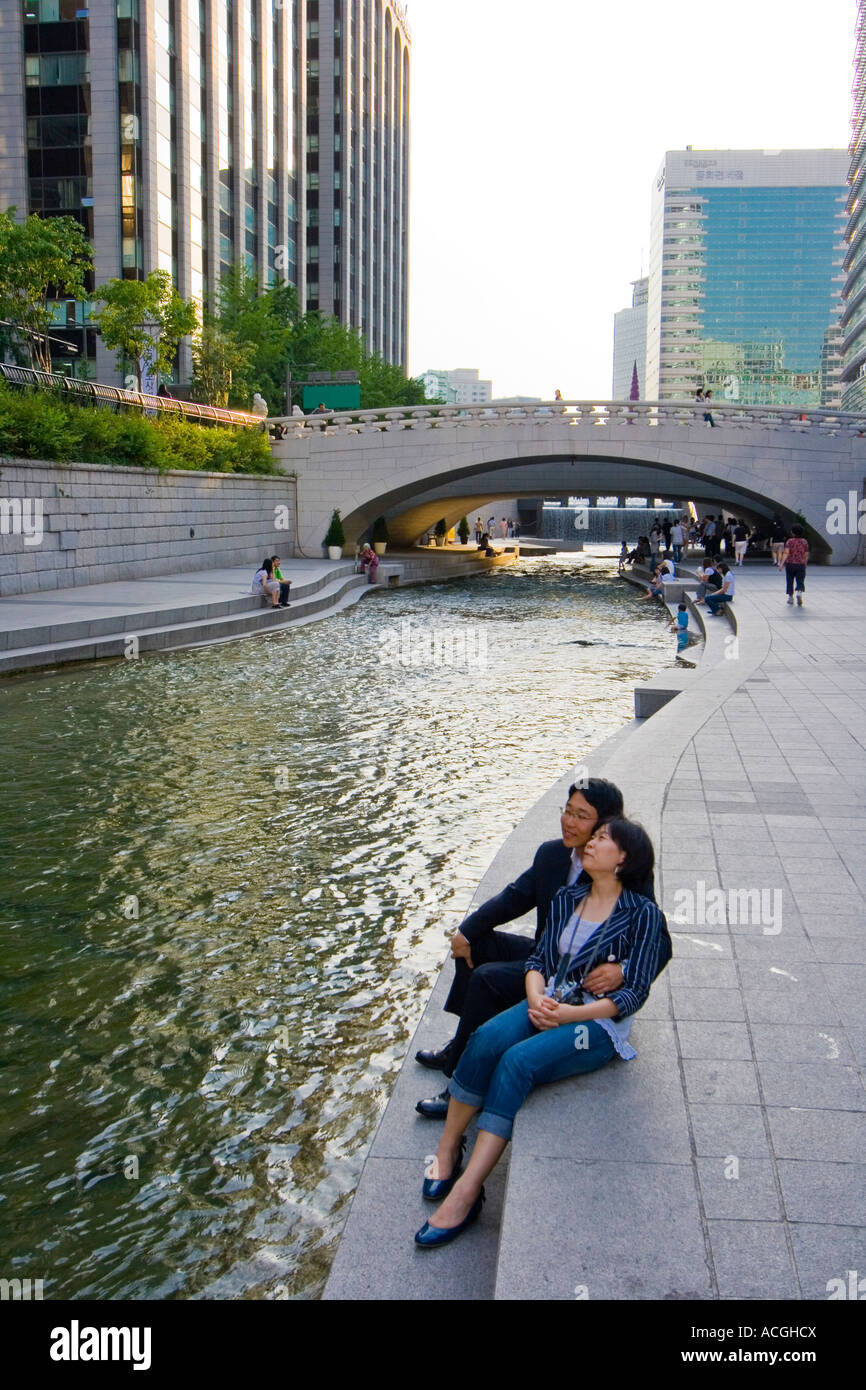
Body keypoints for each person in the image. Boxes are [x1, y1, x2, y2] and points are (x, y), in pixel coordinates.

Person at [414, 818, 670, 1247]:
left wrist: (568, 1016)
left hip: (595, 1025)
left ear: (624, 858)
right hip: (547, 1001)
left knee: (516, 1062)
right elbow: (538, 962)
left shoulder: (642, 915)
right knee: (487, 1039)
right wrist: (535, 1000)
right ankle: (447, 1146)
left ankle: (468, 1191)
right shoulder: (569, 897)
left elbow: (633, 994)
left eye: (603, 838)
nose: (591, 842)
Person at [414, 778, 660, 1117]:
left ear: (606, 826)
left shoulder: (622, 874)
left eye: (581, 816)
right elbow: (515, 897)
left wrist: (622, 969)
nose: (569, 822)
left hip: (576, 979)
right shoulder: (552, 854)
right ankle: (464, 1040)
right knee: (478, 945)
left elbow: (658, 942)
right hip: (545, 958)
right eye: (568, 811)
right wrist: (466, 931)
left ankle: (458, 1079)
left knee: (487, 979)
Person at [780, 524, 809, 606]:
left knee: (789, 580)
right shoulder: (804, 542)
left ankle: (790, 597)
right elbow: (806, 554)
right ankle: (799, 592)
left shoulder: (790, 541)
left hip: (790, 564)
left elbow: (786, 552)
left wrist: (781, 563)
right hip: (800, 564)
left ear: (793, 532)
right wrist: (805, 563)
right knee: (800, 580)